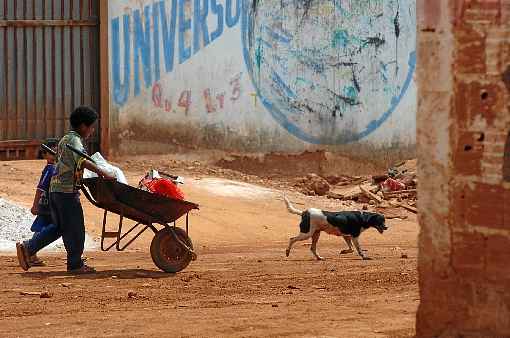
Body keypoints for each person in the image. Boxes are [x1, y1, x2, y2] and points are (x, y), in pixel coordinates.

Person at [16, 106, 114, 273]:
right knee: (76, 228)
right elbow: (82, 161)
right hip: (66, 192)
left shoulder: (64, 139)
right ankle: (75, 264)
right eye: (91, 127)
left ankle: (28, 248)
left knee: (60, 227)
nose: (92, 130)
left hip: (56, 190)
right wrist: (103, 172)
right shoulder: (74, 140)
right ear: (83, 126)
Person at [23, 138, 60, 266]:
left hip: (51, 205)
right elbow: (40, 188)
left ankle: (30, 252)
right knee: (43, 229)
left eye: (57, 152)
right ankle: (29, 252)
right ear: (44, 154)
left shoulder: (56, 168)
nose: (55, 155)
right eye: (51, 153)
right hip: (45, 205)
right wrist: (35, 205)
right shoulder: (50, 169)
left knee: (44, 229)